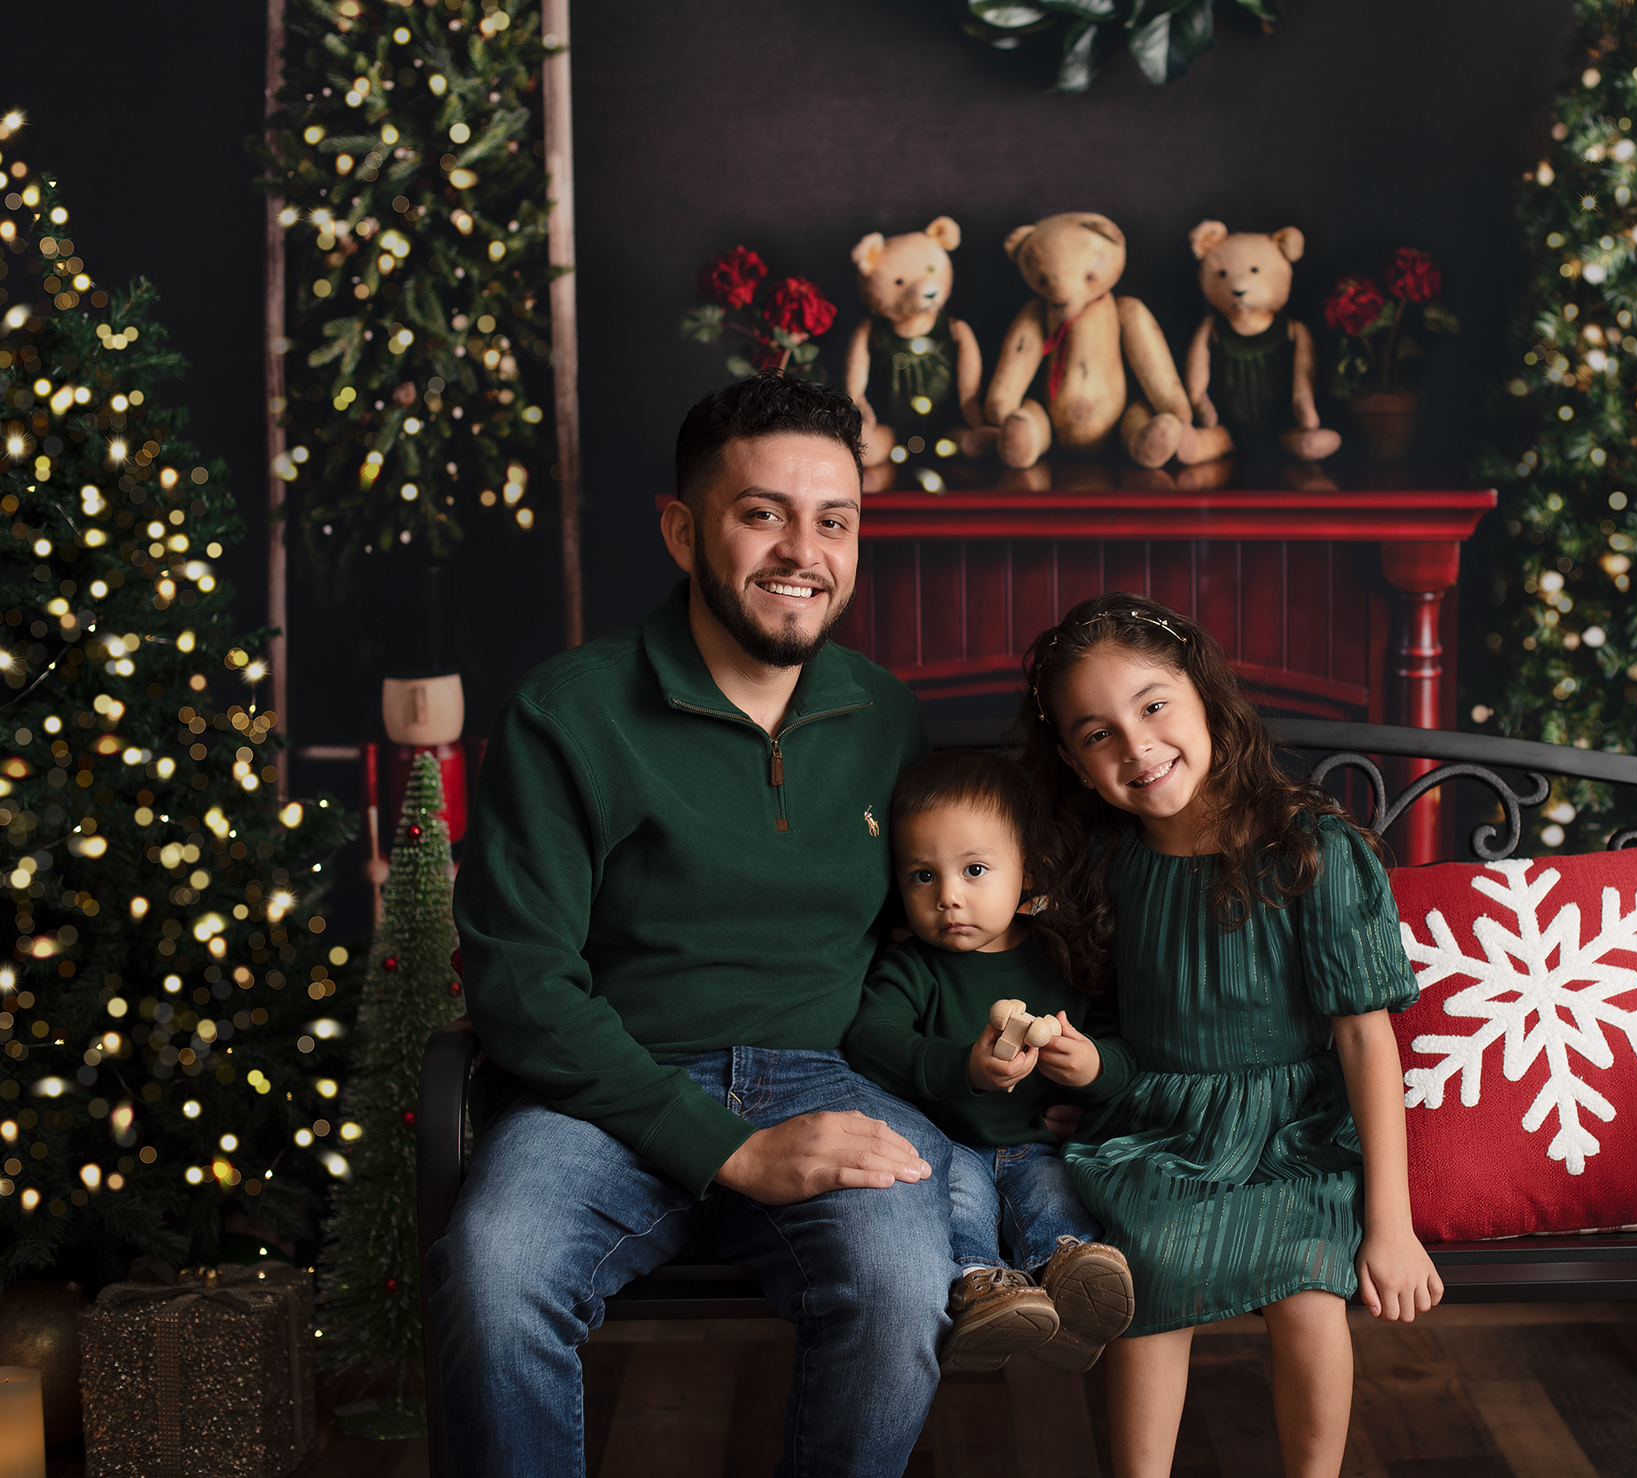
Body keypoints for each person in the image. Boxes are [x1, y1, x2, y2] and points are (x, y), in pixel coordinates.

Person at [427, 374, 955, 1478]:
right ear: (680, 528)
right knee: (495, 1266)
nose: (801, 551)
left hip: (827, 1075)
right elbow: (522, 984)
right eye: (762, 512)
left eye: (834, 519)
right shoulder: (566, 712)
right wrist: (726, 1147)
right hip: (607, 1085)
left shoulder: (888, 716)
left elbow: (930, 938)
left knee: (906, 1281)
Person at [1017, 590, 1443, 1478]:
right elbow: (1100, 1009)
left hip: (1292, 1129)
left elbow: (1367, 1042)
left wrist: (1392, 1226)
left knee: (1306, 1290)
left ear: (1204, 695)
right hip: (1163, 1121)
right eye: (1097, 733)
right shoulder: (1111, 859)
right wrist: (1092, 1085)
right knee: (1150, 1271)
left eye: (1153, 706)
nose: (1137, 747)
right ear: (1071, 757)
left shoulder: (1308, 852)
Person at [843, 749, 1138, 1374]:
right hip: (948, 1146)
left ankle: (1074, 1280)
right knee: (961, 1206)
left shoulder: (1059, 960)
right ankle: (982, 1288)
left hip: (1039, 1145)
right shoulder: (913, 967)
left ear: (1026, 873)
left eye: (974, 869)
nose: (949, 898)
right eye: (922, 876)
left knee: (1055, 1197)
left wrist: (1089, 1068)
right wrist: (965, 1069)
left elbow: (1122, 1050)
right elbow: (872, 1039)